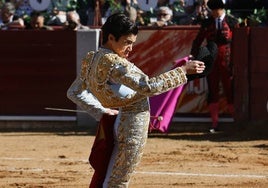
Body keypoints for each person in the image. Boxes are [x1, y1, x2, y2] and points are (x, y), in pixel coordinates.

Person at [67, 13, 205, 187]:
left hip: (117, 121)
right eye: (127, 42)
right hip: (132, 124)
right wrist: (182, 71)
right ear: (111, 38)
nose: (130, 49)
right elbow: (149, 87)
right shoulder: (116, 63)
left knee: (110, 176)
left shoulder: (91, 58)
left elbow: (74, 92)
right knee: (118, 179)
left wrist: (101, 111)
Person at [190, 0, 239, 133]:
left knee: (230, 90)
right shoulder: (207, 22)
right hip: (211, 60)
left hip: (227, 61)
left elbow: (238, 43)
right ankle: (215, 123)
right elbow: (198, 41)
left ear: (222, 9)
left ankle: (236, 121)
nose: (215, 12)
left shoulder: (232, 21)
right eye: (212, 9)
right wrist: (193, 56)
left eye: (217, 9)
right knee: (212, 90)